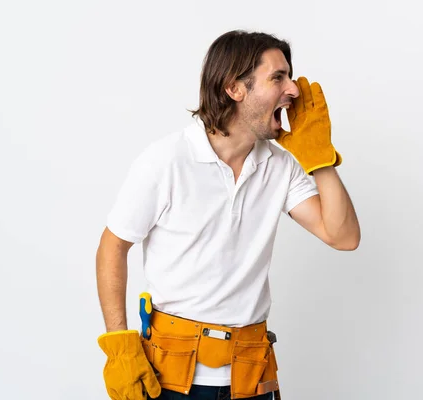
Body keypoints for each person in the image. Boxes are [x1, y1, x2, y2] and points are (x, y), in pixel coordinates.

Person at [95, 30, 361, 400]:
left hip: (251, 378)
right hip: (171, 378)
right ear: (235, 88)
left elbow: (343, 236)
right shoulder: (167, 160)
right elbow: (113, 244)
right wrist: (119, 344)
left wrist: (320, 158)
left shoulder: (281, 165)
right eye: (277, 77)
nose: (294, 90)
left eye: (290, 75)